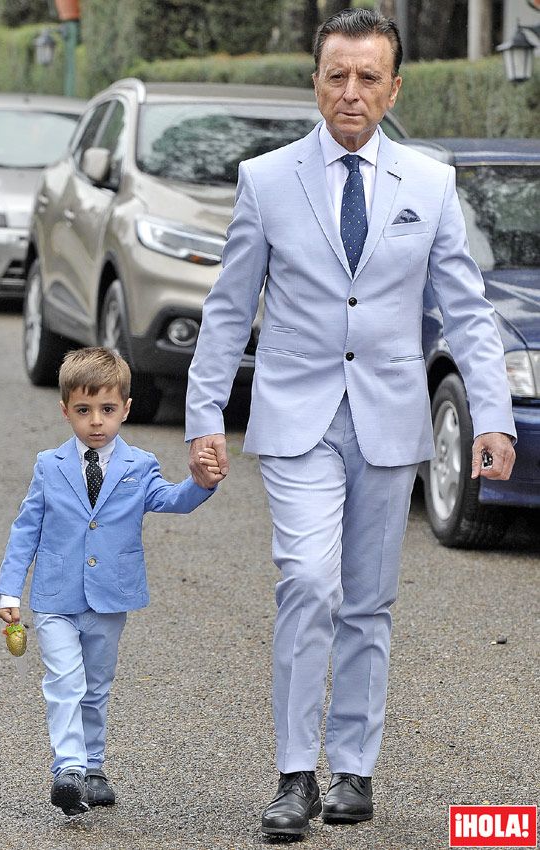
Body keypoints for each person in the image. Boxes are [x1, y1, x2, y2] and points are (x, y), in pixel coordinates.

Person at [185, 8, 516, 838]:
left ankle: (353, 771)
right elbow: (228, 312)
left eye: (369, 77)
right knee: (307, 581)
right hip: (297, 418)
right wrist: (203, 418)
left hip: (389, 418)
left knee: (368, 603)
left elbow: (468, 312)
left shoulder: (431, 182)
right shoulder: (266, 180)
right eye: (337, 75)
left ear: (394, 86)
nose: (352, 92)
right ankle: (295, 775)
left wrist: (494, 415)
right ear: (316, 81)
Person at [0, 346, 222, 817]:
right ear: (65, 411)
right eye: (83, 410)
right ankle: (68, 770)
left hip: (109, 598)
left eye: (106, 410)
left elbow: (172, 500)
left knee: (96, 686)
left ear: (126, 409)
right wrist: (9, 590)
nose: (95, 421)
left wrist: (200, 481)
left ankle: (93, 767)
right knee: (64, 680)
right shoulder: (49, 465)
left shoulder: (139, 466)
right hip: (55, 596)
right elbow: (26, 529)